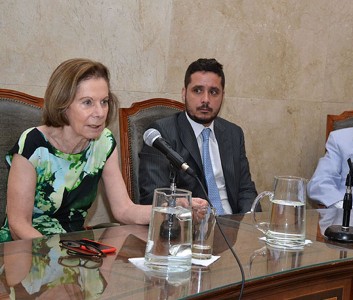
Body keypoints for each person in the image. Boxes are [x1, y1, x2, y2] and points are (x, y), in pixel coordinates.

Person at [1, 58, 206, 242]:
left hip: (74, 251)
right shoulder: (33, 144)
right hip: (26, 252)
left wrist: (171, 207)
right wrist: (55, 257)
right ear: (63, 104)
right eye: (87, 103)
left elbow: (124, 210)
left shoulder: (103, 142)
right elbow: (18, 225)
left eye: (104, 102)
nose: (99, 113)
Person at [139, 58, 257, 214]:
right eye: (198, 90)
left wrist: (249, 225)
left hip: (232, 227)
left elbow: (245, 190)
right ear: (184, 93)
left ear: (223, 95)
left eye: (214, 92)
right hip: (189, 228)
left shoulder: (233, 133)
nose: (206, 100)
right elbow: (152, 197)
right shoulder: (162, 134)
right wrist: (184, 205)